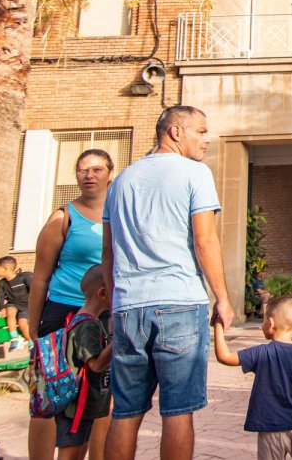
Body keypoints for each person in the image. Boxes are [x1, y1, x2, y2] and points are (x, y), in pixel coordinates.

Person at [102, 105, 233, 460]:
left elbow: (108, 255)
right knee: (178, 410)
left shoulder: (120, 182)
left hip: (129, 307)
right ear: (175, 132)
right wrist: (222, 296)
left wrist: (116, 305)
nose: (206, 139)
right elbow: (205, 240)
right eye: (201, 131)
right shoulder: (195, 173)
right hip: (179, 301)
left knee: (125, 411)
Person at [27, 148, 113, 460]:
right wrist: (35, 332)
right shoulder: (62, 217)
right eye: (82, 170)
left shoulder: (118, 214)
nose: (89, 175)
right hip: (62, 313)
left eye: (97, 169)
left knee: (100, 397)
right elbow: (39, 277)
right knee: (49, 395)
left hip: (103, 315)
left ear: (109, 174)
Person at [213, 296, 292, 460]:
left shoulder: (261, 353)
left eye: (262, 320)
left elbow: (224, 357)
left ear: (271, 323)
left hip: (271, 426)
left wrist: (218, 324)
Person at [55, 266, 112, 460]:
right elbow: (95, 364)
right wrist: (117, 342)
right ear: (103, 292)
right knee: (71, 452)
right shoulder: (87, 325)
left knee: (79, 449)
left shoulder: (85, 320)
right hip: (76, 406)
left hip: (85, 405)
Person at [0, 256, 31, 350]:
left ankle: (31, 342)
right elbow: (0, 296)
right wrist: (2, 308)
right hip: (13, 303)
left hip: (26, 306)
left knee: (22, 323)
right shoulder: (2, 283)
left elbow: (35, 290)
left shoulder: (24, 277)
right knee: (10, 312)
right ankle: (15, 338)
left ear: (5, 269)